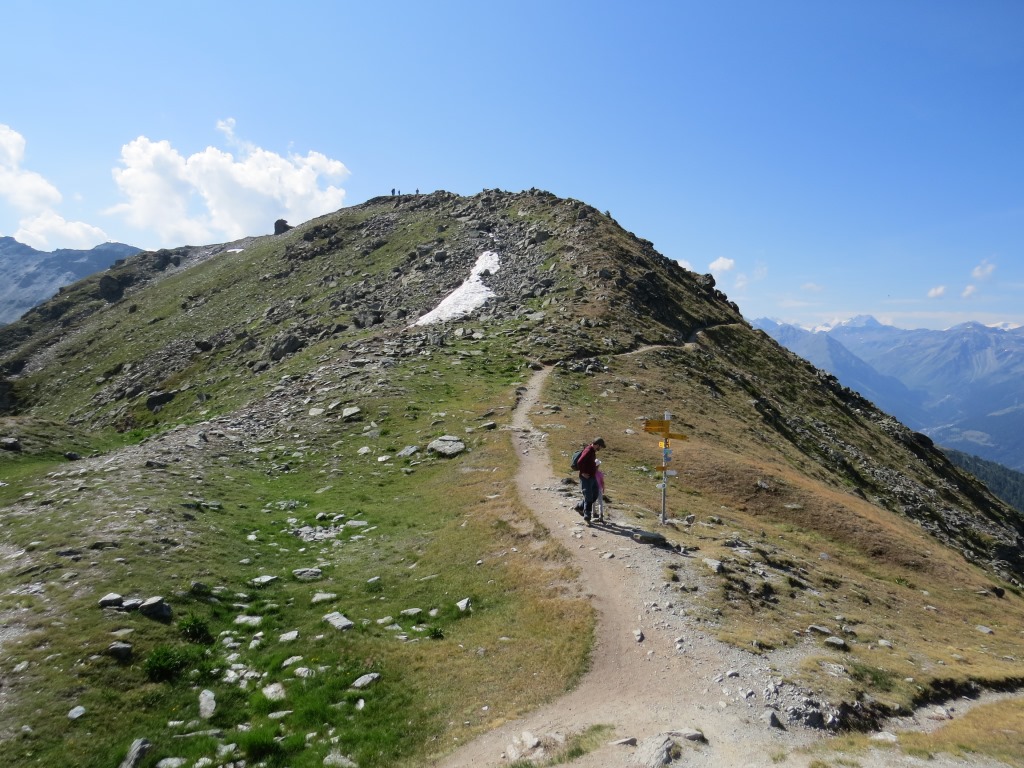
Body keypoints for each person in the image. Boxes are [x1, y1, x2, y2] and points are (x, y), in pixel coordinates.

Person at [576, 437, 606, 523]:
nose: (600, 448)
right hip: (586, 478)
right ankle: (587, 517)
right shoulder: (588, 450)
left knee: (595, 493)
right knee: (589, 496)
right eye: (600, 446)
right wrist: (582, 473)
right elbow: (579, 462)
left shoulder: (592, 451)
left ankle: (579, 506)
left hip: (592, 477)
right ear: (597, 445)